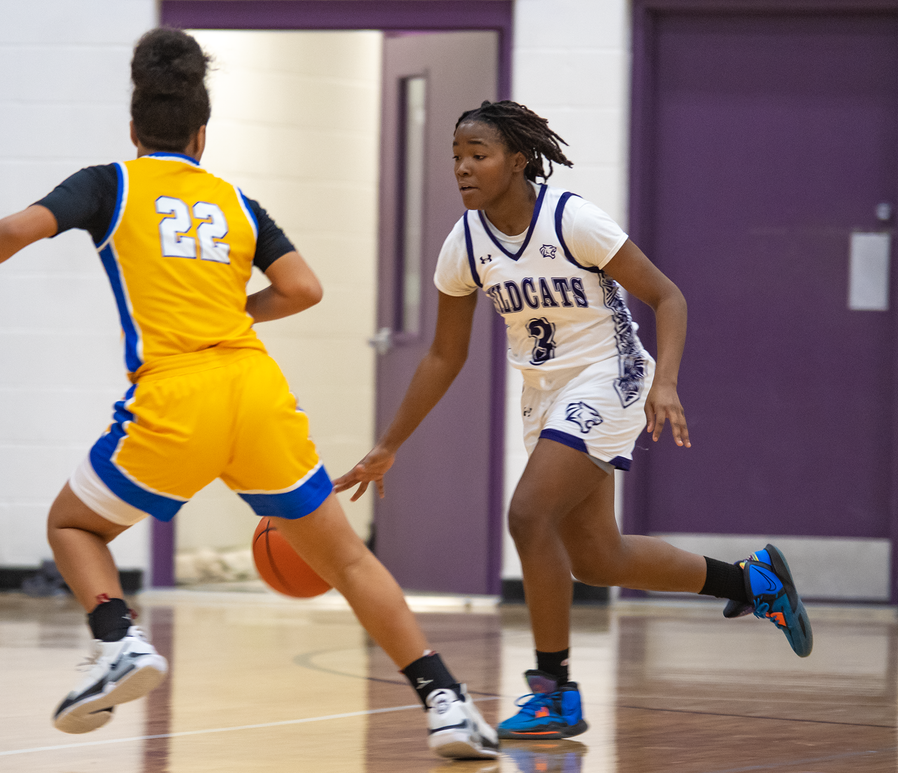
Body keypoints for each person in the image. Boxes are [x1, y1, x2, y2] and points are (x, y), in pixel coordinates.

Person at [0, 28, 498, 760]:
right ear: (202, 135)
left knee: (73, 526)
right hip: (254, 391)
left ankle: (118, 640)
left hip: (176, 395)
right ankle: (447, 702)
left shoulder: (109, 184)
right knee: (347, 560)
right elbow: (305, 289)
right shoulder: (235, 202)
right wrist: (239, 311)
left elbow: (14, 227)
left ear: (134, 128)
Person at [334, 100, 813, 741]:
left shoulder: (572, 219)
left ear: (518, 159)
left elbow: (667, 296)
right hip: (546, 393)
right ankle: (752, 582)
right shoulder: (465, 244)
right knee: (596, 558)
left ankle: (553, 691)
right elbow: (446, 355)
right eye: (456, 158)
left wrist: (664, 383)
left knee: (527, 514)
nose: (463, 169)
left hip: (610, 376)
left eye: (478, 155)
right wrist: (388, 446)